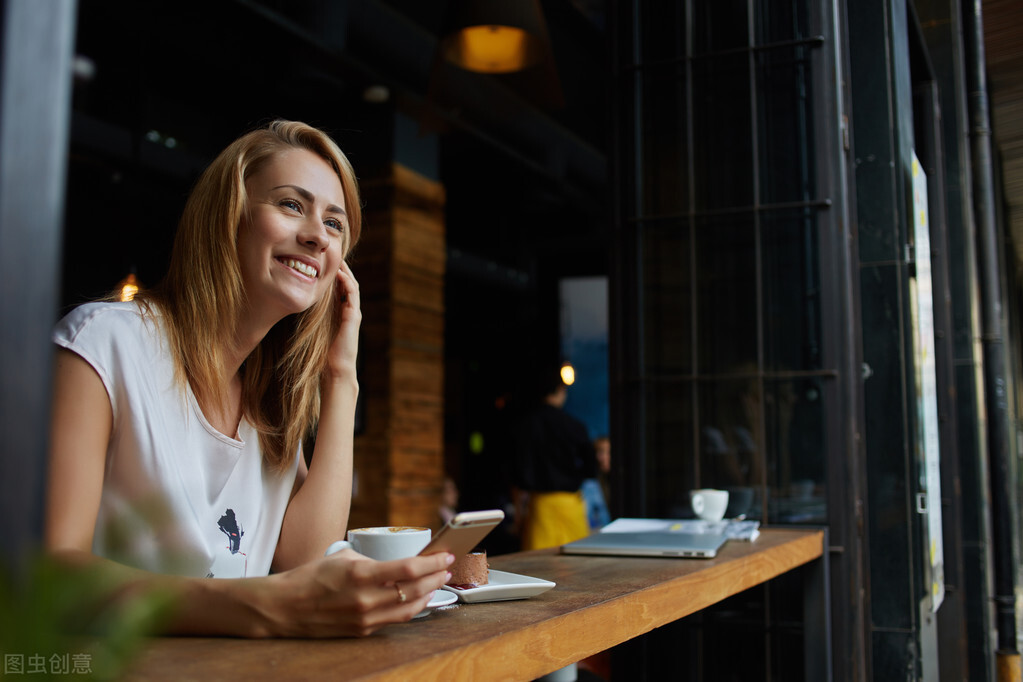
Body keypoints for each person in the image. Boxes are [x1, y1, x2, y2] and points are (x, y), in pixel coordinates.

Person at [45, 120, 454, 638]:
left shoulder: (270, 405)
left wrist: (342, 377)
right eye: (290, 205)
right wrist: (262, 606)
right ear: (228, 216)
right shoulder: (103, 344)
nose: (315, 236)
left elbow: (304, 562)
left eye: (334, 224)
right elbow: (53, 573)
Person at [510, 371, 596, 550]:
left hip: (541, 506)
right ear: (560, 390)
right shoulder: (574, 425)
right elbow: (591, 468)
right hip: (570, 504)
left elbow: (518, 472)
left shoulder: (527, 425)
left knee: (538, 568)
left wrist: (518, 511)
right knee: (577, 563)